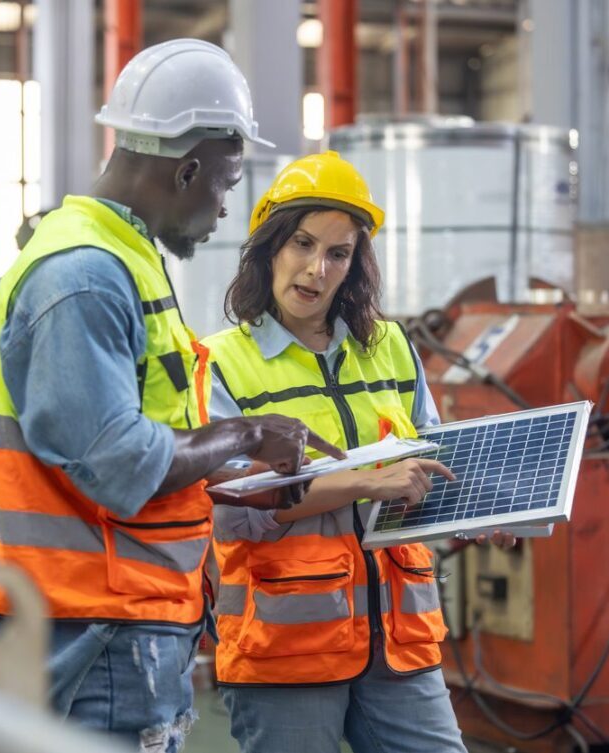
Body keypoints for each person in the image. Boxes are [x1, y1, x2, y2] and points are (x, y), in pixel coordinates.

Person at [0, 40, 342, 753]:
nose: (224, 208)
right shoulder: (83, 275)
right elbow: (118, 461)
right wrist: (245, 434)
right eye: (225, 186)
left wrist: (250, 479)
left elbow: (162, 436)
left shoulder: (129, 258)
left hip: (122, 631)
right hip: (91, 639)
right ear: (187, 169)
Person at [203, 151, 514, 753]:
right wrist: (367, 482)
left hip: (398, 645)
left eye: (338, 253)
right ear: (269, 246)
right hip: (286, 652)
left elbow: (427, 456)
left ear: (354, 265)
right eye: (302, 243)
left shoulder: (390, 347)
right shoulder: (222, 364)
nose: (316, 269)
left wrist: (480, 510)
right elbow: (234, 507)